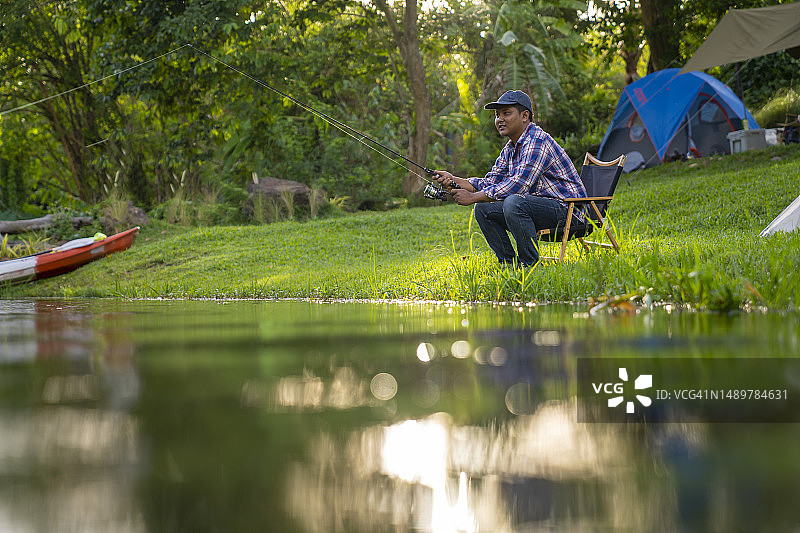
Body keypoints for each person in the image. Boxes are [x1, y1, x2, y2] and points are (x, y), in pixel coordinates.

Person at [435, 90, 587, 268]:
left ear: (524, 116)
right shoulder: (511, 148)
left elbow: (518, 186)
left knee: (513, 202)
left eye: (506, 113)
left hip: (570, 214)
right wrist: (455, 179)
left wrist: (473, 197)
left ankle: (529, 265)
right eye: (497, 115)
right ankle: (509, 265)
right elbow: (490, 182)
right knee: (483, 208)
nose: (500, 119)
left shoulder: (537, 141)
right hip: (544, 209)